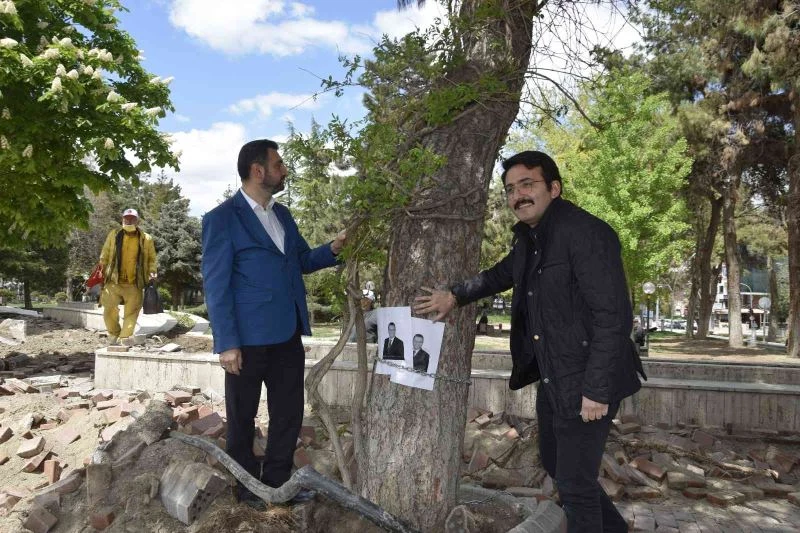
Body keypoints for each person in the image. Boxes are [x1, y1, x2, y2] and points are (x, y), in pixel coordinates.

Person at [415, 150, 645, 533]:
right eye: (510, 189)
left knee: (574, 483)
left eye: (527, 184)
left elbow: (613, 317)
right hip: (555, 375)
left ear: (553, 188)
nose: (518, 195)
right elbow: (499, 275)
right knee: (558, 465)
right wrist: (455, 295)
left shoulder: (587, 233)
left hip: (587, 380)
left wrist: (597, 390)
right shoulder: (529, 240)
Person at [201, 139, 347, 509]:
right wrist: (226, 343)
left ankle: (280, 481)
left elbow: (300, 260)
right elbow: (216, 286)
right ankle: (246, 487)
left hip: (286, 333)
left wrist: (332, 249)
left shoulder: (283, 216)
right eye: (279, 164)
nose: (285, 170)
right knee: (241, 417)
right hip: (245, 341)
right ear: (257, 170)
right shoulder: (221, 219)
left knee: (287, 413)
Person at [98, 208, 157, 346]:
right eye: (126, 218)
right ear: (122, 219)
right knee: (109, 309)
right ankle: (113, 333)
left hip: (134, 283)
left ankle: (125, 337)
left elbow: (152, 259)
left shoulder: (146, 238)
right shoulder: (113, 235)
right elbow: (105, 254)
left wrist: (152, 271)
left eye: (132, 218)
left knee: (132, 312)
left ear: (137, 221)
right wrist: (101, 269)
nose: (129, 220)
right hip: (113, 281)